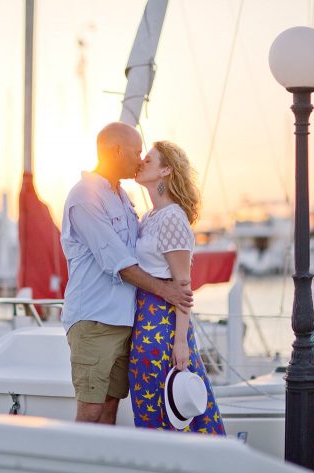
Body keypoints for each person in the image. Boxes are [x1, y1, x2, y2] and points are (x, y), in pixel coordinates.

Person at [60, 122, 193, 425]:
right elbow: (117, 262)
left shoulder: (122, 197)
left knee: (110, 407)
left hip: (125, 322)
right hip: (95, 320)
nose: (139, 160)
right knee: (91, 409)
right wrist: (167, 290)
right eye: (136, 153)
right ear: (117, 150)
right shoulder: (85, 196)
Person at [128, 141, 225, 434]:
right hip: (145, 322)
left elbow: (183, 284)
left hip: (164, 326)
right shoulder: (150, 217)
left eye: (149, 159)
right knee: (150, 408)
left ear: (166, 170)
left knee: (169, 407)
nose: (141, 162)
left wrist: (180, 341)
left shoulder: (172, 218)